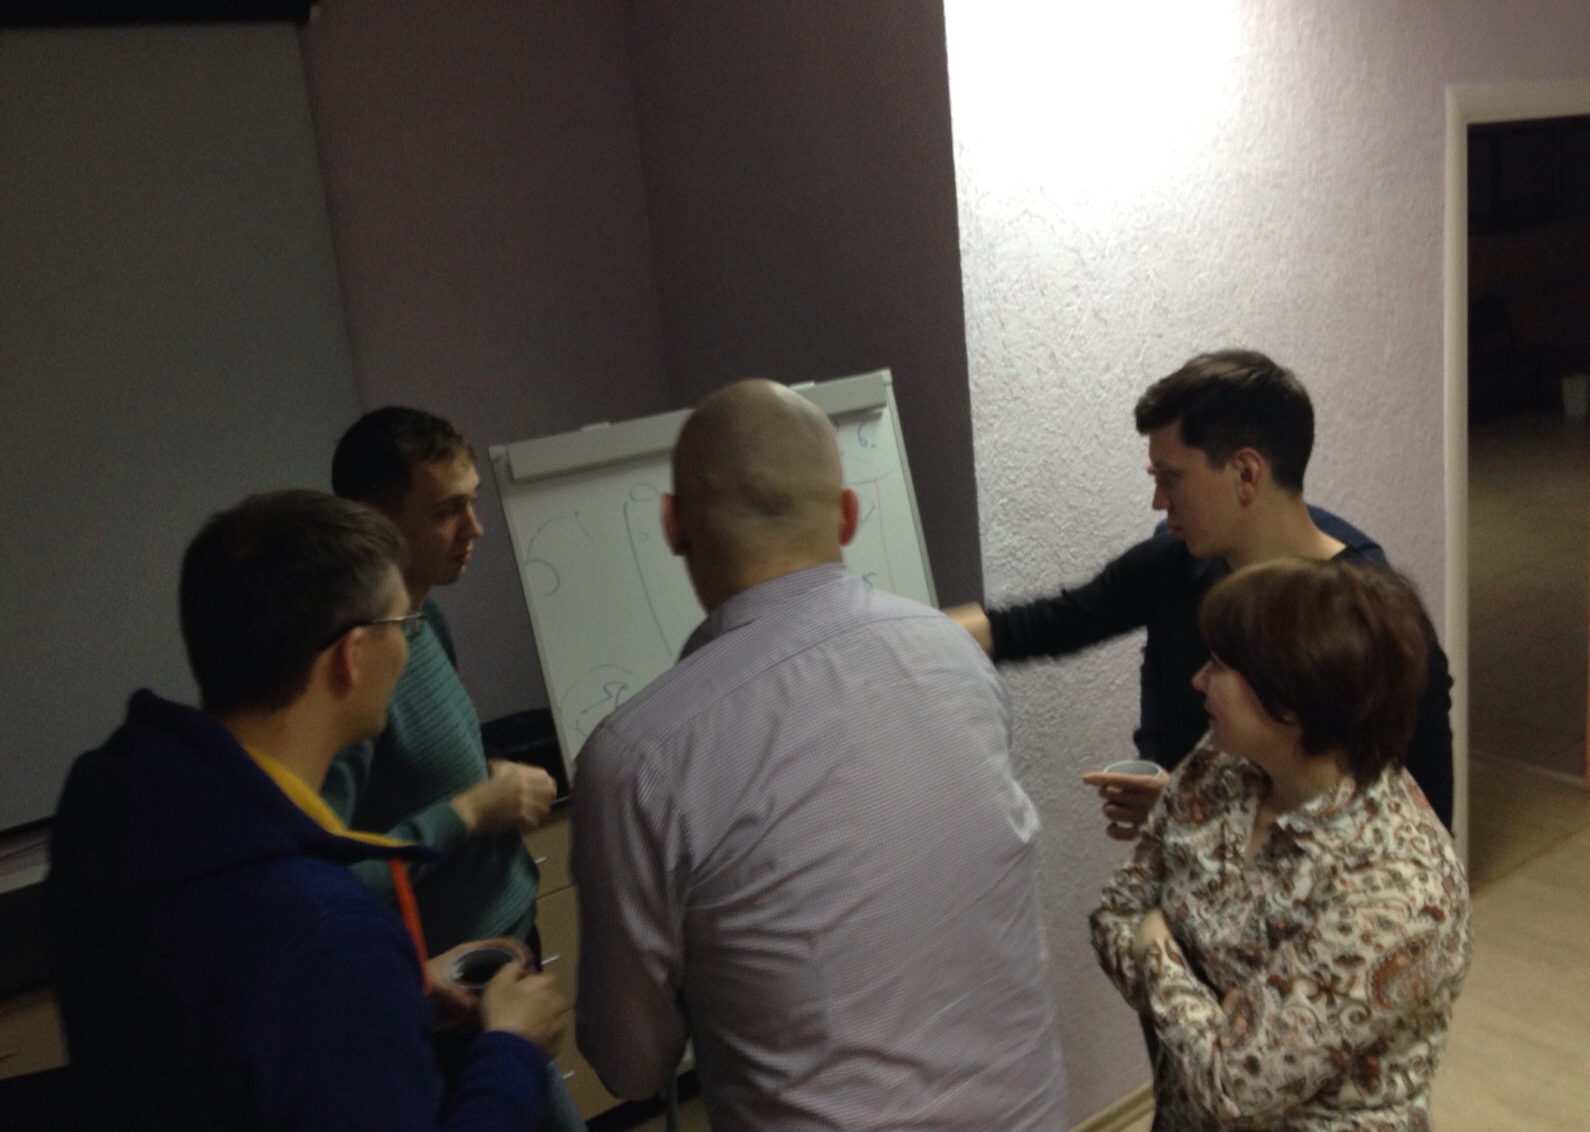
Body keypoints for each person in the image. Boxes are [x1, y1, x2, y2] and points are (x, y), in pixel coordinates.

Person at [569, 379, 1069, 1131]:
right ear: (847, 514)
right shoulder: (956, 657)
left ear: (673, 524)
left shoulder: (639, 759)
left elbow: (631, 1065)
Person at [46, 490, 568, 1131]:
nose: (408, 648)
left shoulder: (108, 813)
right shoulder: (327, 936)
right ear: (352, 656)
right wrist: (510, 1052)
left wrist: (388, 995)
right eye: (403, 626)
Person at [945, 349, 1455, 835]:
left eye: (1171, 478)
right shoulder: (1174, 562)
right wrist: (910, 633)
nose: (1158, 501)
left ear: (1246, 474)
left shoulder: (1374, 621)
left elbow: (1420, 828)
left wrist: (1188, 809)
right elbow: (1042, 626)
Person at [1090, 558, 1472, 1130]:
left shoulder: (1399, 886)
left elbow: (1233, 1086)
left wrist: (1158, 950)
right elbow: (1113, 914)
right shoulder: (1219, 766)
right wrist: (1213, 1018)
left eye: (1220, 665)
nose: (1198, 680)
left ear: (1290, 699)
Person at [325, 407, 587, 1132]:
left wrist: (486, 779)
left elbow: (424, 773)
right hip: (444, 995)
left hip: (507, 945)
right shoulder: (351, 675)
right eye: (447, 511)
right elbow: (333, 879)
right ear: (372, 521)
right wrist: (473, 808)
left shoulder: (426, 621)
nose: (475, 528)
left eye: (471, 502)